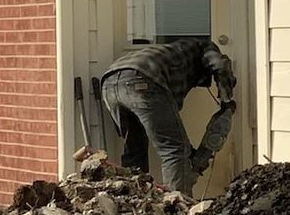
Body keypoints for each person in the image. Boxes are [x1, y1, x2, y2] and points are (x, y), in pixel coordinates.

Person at [100, 37, 236, 196]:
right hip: (142, 78)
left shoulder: (171, 55)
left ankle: (134, 202)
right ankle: (178, 209)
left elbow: (166, 118)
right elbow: (220, 65)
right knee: (174, 150)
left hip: (109, 84)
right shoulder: (204, 45)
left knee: (135, 148)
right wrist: (226, 96)